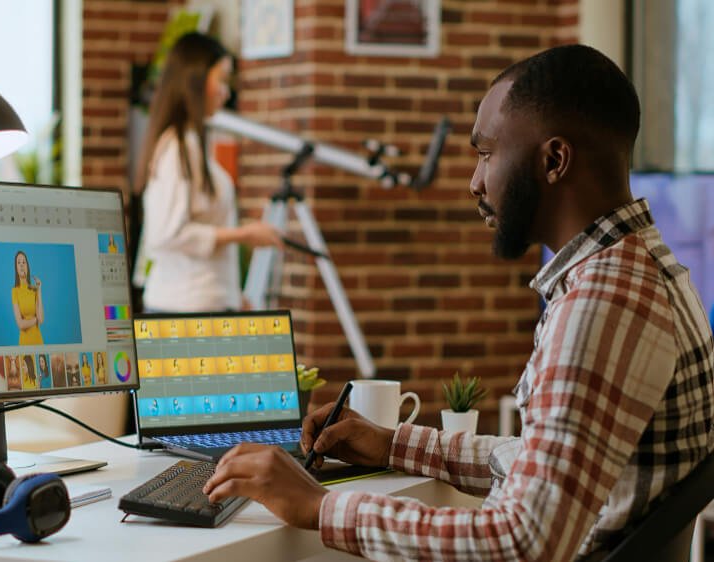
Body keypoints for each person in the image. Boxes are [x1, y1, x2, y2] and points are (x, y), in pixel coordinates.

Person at [203, 45, 714, 560]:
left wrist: (319, 507)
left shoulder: (605, 302)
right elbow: (542, 458)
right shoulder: (645, 268)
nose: (475, 181)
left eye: (487, 153)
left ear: (554, 160)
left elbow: (519, 541)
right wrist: (394, 445)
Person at [135, 32, 282, 313]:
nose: (226, 93)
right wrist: (242, 235)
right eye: (222, 80)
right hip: (183, 308)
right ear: (196, 79)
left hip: (203, 303)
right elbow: (165, 234)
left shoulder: (190, 145)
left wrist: (233, 297)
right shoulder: (178, 149)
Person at [12, 250, 43, 345]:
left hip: (38, 339)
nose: (21, 265)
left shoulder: (34, 289)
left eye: (24, 262)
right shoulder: (15, 291)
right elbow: (20, 324)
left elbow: (41, 319)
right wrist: (35, 320)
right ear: (16, 268)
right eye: (19, 262)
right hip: (24, 341)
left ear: (27, 266)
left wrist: (39, 289)